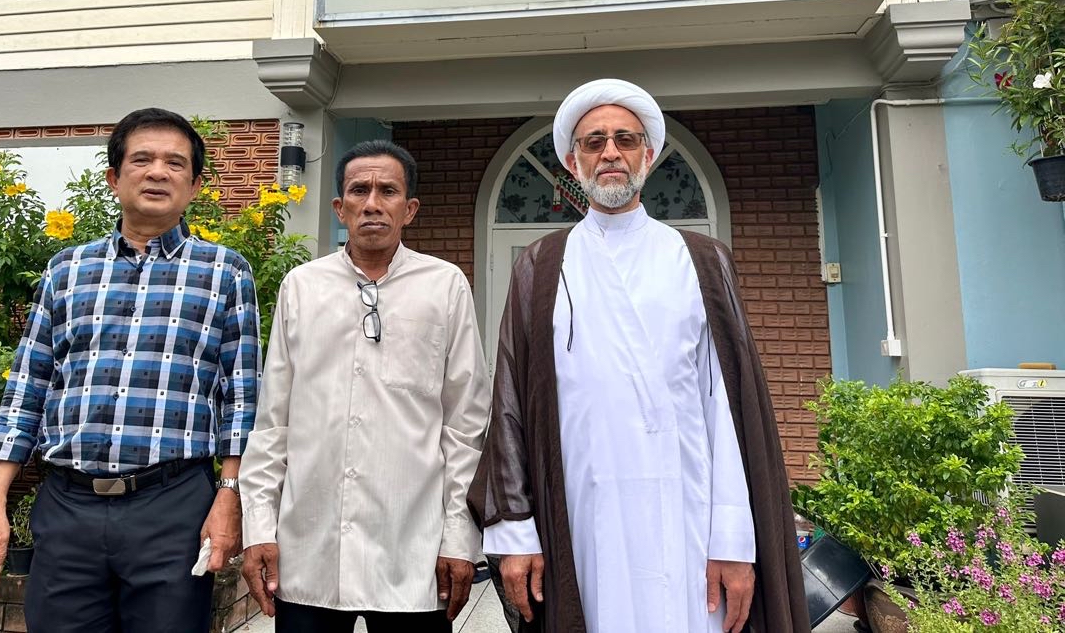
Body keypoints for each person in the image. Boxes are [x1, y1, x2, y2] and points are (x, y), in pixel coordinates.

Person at [468, 80, 811, 633]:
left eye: (625, 140)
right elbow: (510, 403)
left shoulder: (702, 260)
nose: (610, 152)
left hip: (688, 511)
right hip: (582, 513)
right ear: (572, 162)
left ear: (648, 157)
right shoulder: (541, 265)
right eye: (594, 142)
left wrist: (732, 540)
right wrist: (515, 530)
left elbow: (728, 412)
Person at [0, 108, 259, 633]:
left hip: (173, 508)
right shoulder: (66, 269)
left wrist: (229, 495)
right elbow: (27, 387)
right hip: (68, 506)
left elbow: (241, 396)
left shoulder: (226, 272)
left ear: (195, 185)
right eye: (141, 160)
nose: (157, 172)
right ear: (113, 177)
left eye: (175, 163)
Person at [239, 140, 490, 632]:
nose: (372, 203)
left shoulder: (445, 285)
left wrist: (459, 537)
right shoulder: (301, 287)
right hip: (309, 549)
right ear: (340, 207)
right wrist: (258, 527)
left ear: (409, 209)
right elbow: (273, 422)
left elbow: (466, 424)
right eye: (359, 190)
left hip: (411, 551)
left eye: (387, 191)